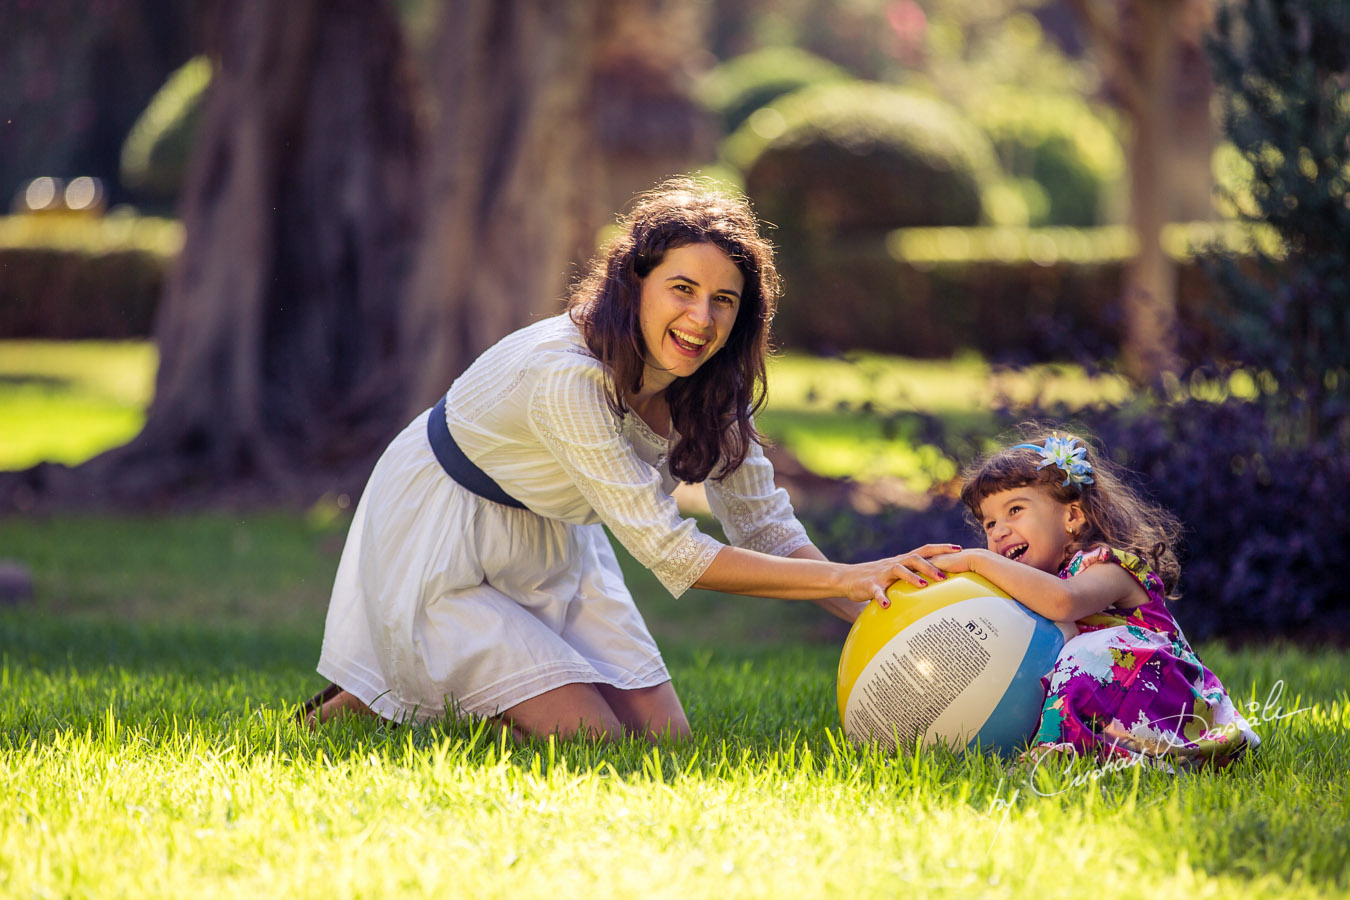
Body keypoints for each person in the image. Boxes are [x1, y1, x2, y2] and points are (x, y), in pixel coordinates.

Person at [304, 177, 952, 740]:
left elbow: (768, 531)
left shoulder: (712, 385)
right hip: (448, 527)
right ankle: (386, 694)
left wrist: (892, 607)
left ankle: (409, 690)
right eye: (682, 288)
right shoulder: (566, 376)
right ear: (635, 282)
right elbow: (674, 554)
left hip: (552, 531)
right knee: (593, 739)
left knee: (662, 741)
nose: (701, 318)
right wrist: (845, 577)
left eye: (723, 300)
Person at [930, 426, 1259, 768]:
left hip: (1167, 704)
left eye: (1015, 510)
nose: (999, 530)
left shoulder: (1107, 565)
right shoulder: (1026, 589)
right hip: (1114, 717)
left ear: (1072, 516)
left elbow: (1064, 601)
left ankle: (1062, 753)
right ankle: (1082, 753)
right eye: (989, 523)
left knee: (1083, 652)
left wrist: (975, 559)